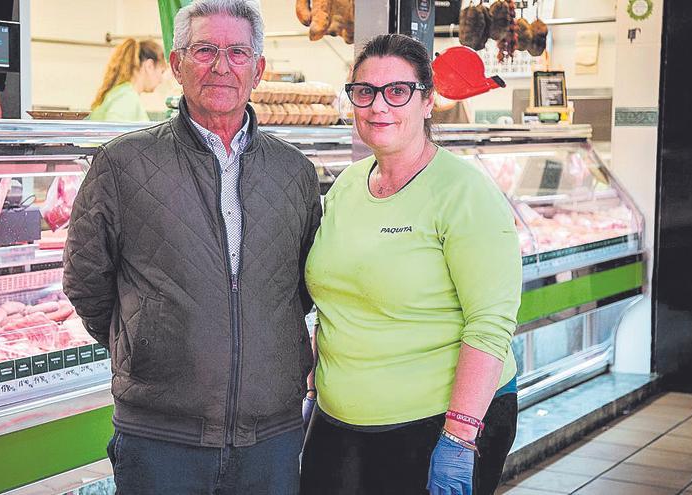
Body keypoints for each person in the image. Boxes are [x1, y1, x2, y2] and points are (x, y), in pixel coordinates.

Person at [63, 1, 321, 493]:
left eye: (237, 52)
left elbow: (301, 284)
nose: (222, 66)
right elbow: (85, 281)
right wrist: (148, 341)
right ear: (178, 65)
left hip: (271, 437)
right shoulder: (123, 164)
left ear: (258, 69)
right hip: (161, 438)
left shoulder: (294, 172)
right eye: (205, 50)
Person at [301, 34, 521, 495]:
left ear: (428, 101)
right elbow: (337, 294)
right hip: (338, 421)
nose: (379, 106)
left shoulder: (464, 193)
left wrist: (459, 436)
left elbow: (490, 324)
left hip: (436, 424)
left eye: (397, 91)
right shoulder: (347, 186)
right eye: (365, 92)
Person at [87, 38, 166, 122]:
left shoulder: (119, 92)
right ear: (149, 66)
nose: (161, 80)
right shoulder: (127, 98)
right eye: (161, 71)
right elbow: (114, 132)